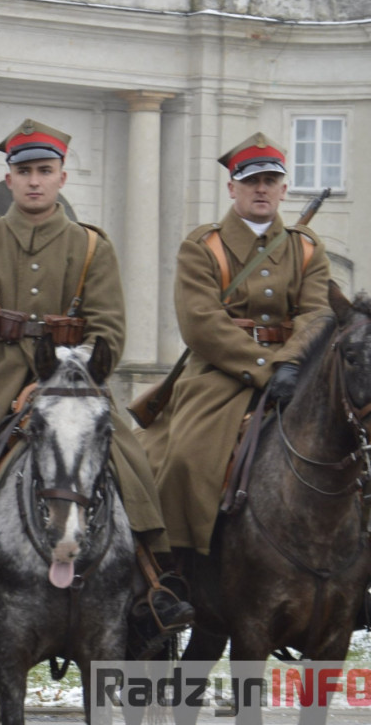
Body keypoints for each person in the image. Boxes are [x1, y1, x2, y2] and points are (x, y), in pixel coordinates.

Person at [0, 118, 193, 650]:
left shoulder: (91, 247)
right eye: (23, 171)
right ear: (8, 178)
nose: (34, 181)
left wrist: (61, 380)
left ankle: (152, 582)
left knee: (134, 468)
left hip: (73, 386)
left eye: (44, 170)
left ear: (62, 177)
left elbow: (107, 329)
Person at [147, 132, 331, 558]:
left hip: (300, 372)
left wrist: (292, 362)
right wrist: (270, 366)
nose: (261, 189)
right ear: (233, 188)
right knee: (185, 460)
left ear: (284, 189)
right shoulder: (203, 245)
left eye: (270, 180)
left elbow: (317, 312)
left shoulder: (306, 247)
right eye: (251, 181)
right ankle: (178, 565)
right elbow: (201, 324)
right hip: (219, 375)